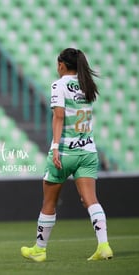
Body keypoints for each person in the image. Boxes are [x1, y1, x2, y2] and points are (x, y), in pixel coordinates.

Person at [21, 48, 113, 262]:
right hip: (88, 150)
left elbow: (59, 117)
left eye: (57, 64)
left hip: (65, 152)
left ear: (62, 64)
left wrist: (54, 147)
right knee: (91, 200)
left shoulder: (59, 84)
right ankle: (104, 245)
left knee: (49, 202)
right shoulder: (87, 85)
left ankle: (40, 249)